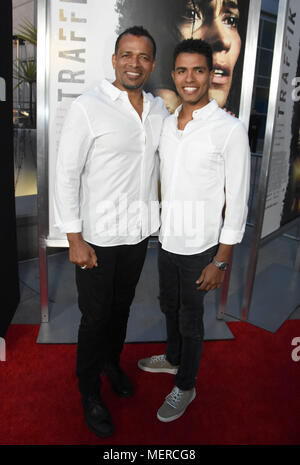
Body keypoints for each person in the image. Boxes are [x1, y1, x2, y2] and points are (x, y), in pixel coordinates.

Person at [54, 26, 168, 437]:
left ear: (152, 64)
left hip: (137, 237)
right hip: (97, 239)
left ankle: (110, 364)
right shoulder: (89, 106)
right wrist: (74, 238)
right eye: (126, 55)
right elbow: (66, 175)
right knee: (95, 317)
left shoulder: (158, 110)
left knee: (121, 311)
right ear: (114, 59)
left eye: (142, 57)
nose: (134, 63)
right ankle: (89, 392)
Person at [138, 38, 250, 422]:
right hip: (167, 240)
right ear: (173, 74)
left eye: (198, 70)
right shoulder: (167, 125)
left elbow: (237, 202)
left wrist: (220, 261)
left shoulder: (229, 130)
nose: (190, 78)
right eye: (182, 70)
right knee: (168, 305)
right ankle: (172, 359)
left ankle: (186, 384)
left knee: (191, 320)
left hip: (202, 248)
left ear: (210, 75)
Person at [116, 0, 247, 114]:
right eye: (191, 15)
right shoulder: (161, 118)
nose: (223, 40)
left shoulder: (232, 130)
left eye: (230, 20)